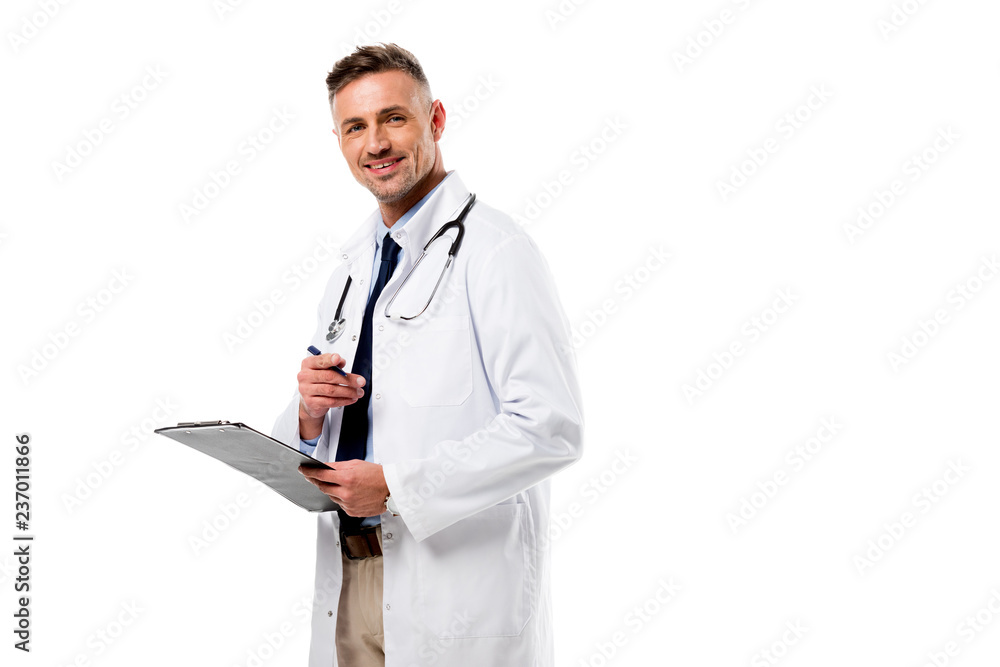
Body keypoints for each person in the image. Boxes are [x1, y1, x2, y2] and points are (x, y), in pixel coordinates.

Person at [271, 43, 583, 667]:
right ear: (339, 142)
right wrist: (308, 414)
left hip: (457, 590)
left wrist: (395, 486)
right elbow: (347, 424)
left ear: (435, 120)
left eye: (394, 118)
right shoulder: (352, 268)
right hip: (353, 574)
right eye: (355, 126)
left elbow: (550, 428)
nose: (376, 143)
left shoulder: (496, 252)